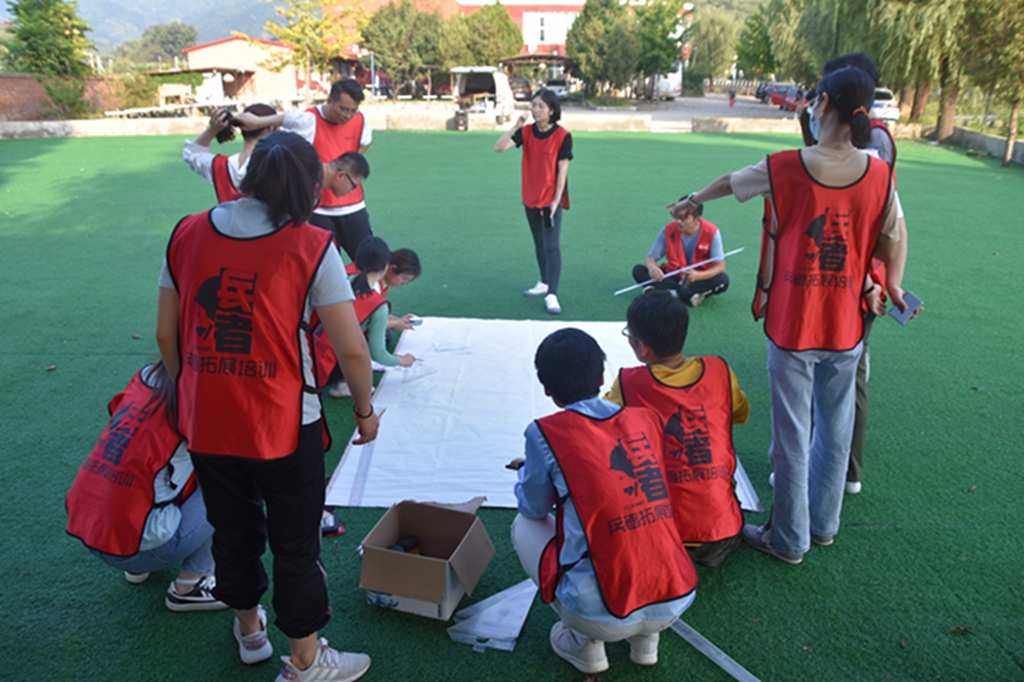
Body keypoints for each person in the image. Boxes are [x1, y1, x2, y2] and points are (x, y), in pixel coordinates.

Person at [156, 130, 379, 681]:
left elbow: (166, 335)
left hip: (208, 420)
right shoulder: (311, 245)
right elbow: (352, 347)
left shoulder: (187, 232)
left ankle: (250, 629)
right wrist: (365, 411)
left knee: (230, 531)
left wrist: (194, 389)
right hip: (283, 422)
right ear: (309, 189)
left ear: (246, 177)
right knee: (296, 544)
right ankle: (304, 660)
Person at [666, 66, 900, 565]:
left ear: (823, 106)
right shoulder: (879, 173)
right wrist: (892, 284)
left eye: (814, 100)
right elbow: (895, 236)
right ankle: (824, 525)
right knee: (835, 430)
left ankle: (788, 538)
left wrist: (691, 199)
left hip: (794, 325)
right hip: (846, 328)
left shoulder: (786, 166)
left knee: (792, 437)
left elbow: (731, 182)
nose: (810, 108)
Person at [509, 328, 697, 675]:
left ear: (548, 389)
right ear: (600, 376)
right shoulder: (646, 418)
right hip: (677, 597)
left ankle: (585, 644)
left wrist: (527, 477)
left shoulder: (544, 432)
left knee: (523, 524)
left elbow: (533, 507)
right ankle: (646, 640)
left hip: (597, 614)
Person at [65, 361, 226, 612]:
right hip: (141, 548)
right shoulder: (205, 398)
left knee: (161, 466)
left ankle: (137, 557)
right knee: (231, 486)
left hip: (88, 526)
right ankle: (191, 584)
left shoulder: (146, 374)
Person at [605, 291, 750, 567]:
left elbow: (597, 429)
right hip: (722, 534)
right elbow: (740, 414)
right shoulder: (720, 371)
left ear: (642, 347)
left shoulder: (628, 384)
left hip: (659, 534)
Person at [236, 79, 373, 261]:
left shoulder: (361, 121)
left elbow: (365, 141)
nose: (348, 115)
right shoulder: (309, 120)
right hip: (318, 209)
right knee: (323, 263)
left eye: (353, 110)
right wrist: (258, 123)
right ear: (329, 101)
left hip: (353, 205)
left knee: (370, 262)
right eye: (343, 109)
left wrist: (349, 165)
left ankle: (369, 291)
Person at [494, 88, 573, 315]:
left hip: (551, 200)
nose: (535, 110)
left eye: (540, 106)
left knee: (552, 245)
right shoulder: (526, 132)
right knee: (539, 243)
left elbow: (562, 172)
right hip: (530, 197)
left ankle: (552, 294)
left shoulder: (562, 136)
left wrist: (556, 202)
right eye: (533, 105)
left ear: (551, 110)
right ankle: (544, 282)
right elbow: (498, 147)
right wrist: (516, 126)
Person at [317, 236, 417, 398]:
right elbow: (379, 354)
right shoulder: (378, 303)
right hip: (328, 366)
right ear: (386, 266)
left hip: (307, 353)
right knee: (368, 345)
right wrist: (401, 361)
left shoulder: (344, 280)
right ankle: (344, 383)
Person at [630, 201, 730, 307]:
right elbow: (650, 259)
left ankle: (664, 292)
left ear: (697, 219)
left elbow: (720, 266)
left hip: (697, 279)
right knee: (639, 271)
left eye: (684, 218)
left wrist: (699, 276)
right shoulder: (668, 230)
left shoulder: (712, 232)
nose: (678, 221)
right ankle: (686, 294)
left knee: (722, 280)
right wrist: (652, 267)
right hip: (674, 275)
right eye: (677, 217)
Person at [182, 104, 277, 202]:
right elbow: (293, 122)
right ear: (270, 128)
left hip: (229, 217)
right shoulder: (277, 164)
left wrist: (213, 129)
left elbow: (192, 153)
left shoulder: (219, 165)